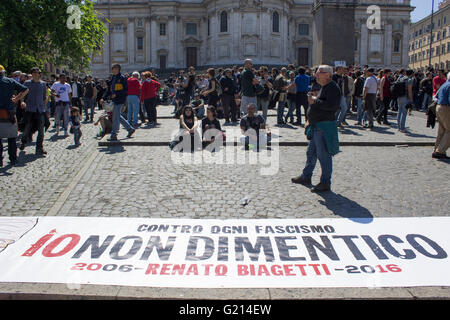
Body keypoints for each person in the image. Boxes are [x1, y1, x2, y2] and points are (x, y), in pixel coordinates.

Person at [291, 65, 341, 193]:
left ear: (328, 75)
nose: (316, 75)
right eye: (316, 72)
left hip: (324, 126)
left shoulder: (333, 88)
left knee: (323, 155)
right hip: (317, 125)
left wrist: (314, 101)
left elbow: (332, 106)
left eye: (320, 73)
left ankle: (325, 182)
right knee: (311, 153)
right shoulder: (325, 87)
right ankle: (306, 176)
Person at [0, 65, 29, 167]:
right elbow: (25, 89)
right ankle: (13, 159)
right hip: (9, 112)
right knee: (11, 138)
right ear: (3, 72)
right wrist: (16, 99)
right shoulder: (10, 81)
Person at [100, 64, 135, 141]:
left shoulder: (122, 78)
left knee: (115, 117)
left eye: (114, 69)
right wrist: (103, 98)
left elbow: (125, 90)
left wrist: (116, 94)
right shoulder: (113, 78)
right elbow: (108, 90)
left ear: (118, 69)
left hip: (120, 100)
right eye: (112, 69)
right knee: (118, 116)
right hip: (114, 100)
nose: (113, 70)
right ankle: (130, 129)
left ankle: (114, 134)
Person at [20, 67, 48, 155]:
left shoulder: (43, 84)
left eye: (39, 73)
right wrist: (22, 102)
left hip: (40, 110)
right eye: (35, 73)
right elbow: (22, 94)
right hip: (30, 109)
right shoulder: (27, 83)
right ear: (32, 74)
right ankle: (23, 141)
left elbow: (44, 97)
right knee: (27, 128)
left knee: (41, 130)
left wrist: (44, 107)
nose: (38, 74)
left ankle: (39, 148)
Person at [433, 72, 450, 159]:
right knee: (449, 130)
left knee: (442, 131)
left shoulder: (445, 84)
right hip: (446, 108)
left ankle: (436, 149)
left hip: (439, 106)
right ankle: (440, 151)